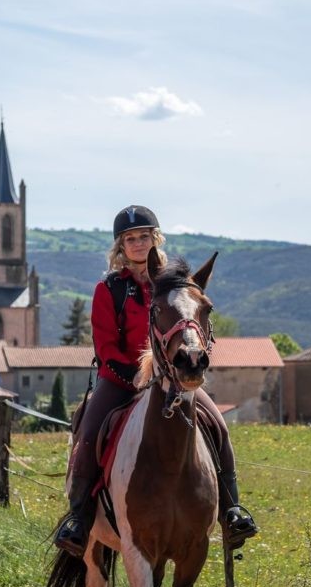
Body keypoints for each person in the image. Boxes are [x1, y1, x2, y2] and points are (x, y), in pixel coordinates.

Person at [54, 205, 258, 558]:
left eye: (144, 236)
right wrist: (138, 379)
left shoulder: (174, 286)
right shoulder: (110, 289)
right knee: (88, 431)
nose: (137, 244)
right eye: (130, 238)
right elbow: (105, 346)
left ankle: (232, 509)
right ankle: (79, 518)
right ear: (120, 245)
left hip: (174, 376)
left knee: (218, 426)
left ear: (155, 238)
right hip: (121, 379)